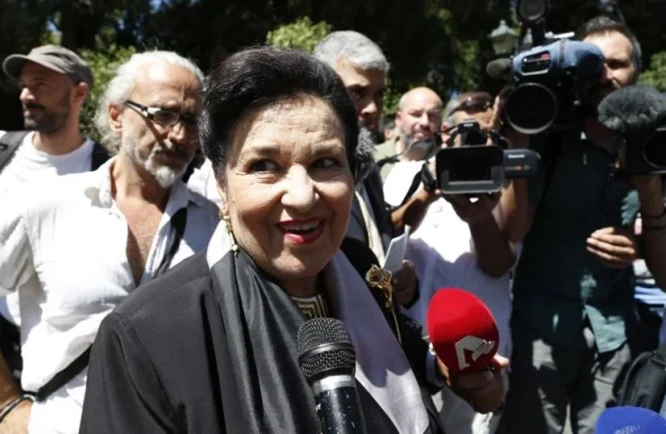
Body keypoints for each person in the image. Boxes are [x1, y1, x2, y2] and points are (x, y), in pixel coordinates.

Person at [79, 46, 508, 434]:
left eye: (325, 162)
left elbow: (398, 366)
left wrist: (454, 373)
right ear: (222, 186)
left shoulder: (360, 267)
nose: (303, 197)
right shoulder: (145, 336)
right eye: (265, 166)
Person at [0, 50, 220, 434]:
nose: (180, 135)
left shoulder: (214, 224)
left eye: (191, 120)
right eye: (163, 115)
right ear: (116, 116)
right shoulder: (46, 205)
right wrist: (4, 407)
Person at [497, 17, 666, 433]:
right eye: (593, 64)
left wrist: (648, 203)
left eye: (617, 64)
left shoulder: (656, 146)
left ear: (637, 72)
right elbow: (513, 232)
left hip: (617, 335)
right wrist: (518, 138)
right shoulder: (548, 138)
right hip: (539, 328)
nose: (605, 75)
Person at [0, 44, 110, 434]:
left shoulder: (104, 169)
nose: (26, 95)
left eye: (41, 85)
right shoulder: (0, 150)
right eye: (25, 85)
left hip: (66, 362)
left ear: (79, 93)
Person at [384, 90, 517, 434]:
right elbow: (388, 231)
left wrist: (479, 218)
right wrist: (427, 191)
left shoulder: (502, 179)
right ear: (446, 134)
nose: (474, 145)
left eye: (484, 136)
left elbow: (500, 264)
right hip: (411, 346)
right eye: (466, 135)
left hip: (476, 348)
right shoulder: (405, 173)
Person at [313, 31, 441, 307]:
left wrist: (403, 281)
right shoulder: (303, 175)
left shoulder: (368, 168)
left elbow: (377, 242)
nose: (372, 108)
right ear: (319, 89)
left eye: (379, 94)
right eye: (357, 93)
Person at [377, 87, 443, 180]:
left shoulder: (445, 162)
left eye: (433, 116)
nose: (425, 122)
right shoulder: (372, 159)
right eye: (416, 114)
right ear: (399, 119)